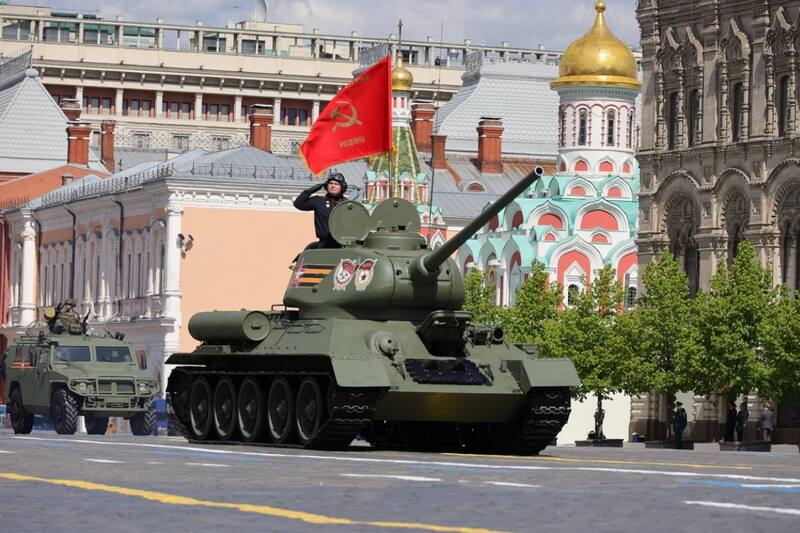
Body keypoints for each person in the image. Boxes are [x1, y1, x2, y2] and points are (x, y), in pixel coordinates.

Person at [293, 174, 348, 250]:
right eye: (330, 183)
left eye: (336, 184)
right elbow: (298, 204)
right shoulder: (319, 201)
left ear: (342, 187)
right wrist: (311, 190)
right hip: (324, 245)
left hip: (343, 246)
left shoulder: (348, 205)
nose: (333, 186)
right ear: (326, 186)